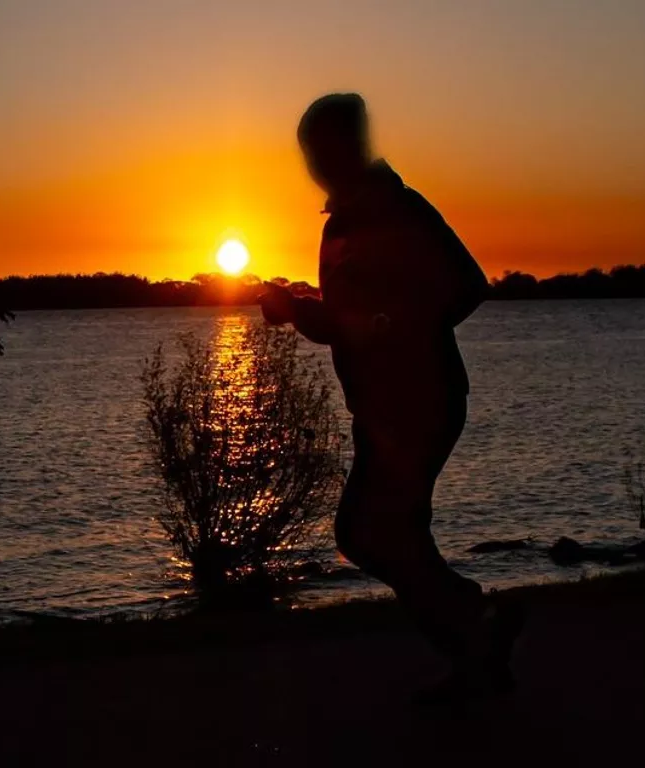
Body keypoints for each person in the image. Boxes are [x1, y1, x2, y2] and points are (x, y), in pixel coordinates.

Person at [260, 93, 522, 702]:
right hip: (381, 407)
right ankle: (478, 657)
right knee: (389, 533)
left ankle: (473, 625)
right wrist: (301, 311)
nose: (313, 164)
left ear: (348, 145)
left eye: (319, 149)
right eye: (308, 152)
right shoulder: (347, 219)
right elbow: (353, 319)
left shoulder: (395, 208)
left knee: (368, 533)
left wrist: (389, 330)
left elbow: (465, 286)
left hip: (417, 401)